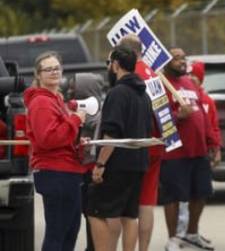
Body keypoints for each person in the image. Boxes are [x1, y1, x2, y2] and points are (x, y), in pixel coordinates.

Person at [86, 46, 153, 251]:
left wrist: (100, 163)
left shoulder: (118, 93)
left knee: (95, 210)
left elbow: (111, 134)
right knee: (129, 215)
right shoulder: (144, 95)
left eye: (109, 63)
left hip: (117, 165)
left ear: (115, 65)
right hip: (139, 163)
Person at [25, 51, 86, 251]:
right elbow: (48, 139)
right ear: (38, 75)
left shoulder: (56, 99)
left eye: (56, 68)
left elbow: (60, 135)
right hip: (55, 172)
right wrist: (75, 120)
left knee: (69, 231)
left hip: (67, 171)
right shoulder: (41, 102)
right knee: (57, 234)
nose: (53, 72)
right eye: (48, 69)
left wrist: (77, 140)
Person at [161, 48, 218, 251]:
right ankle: (173, 238)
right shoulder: (162, 85)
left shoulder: (189, 83)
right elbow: (159, 119)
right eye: (176, 58)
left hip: (199, 150)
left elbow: (203, 114)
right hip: (175, 152)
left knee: (201, 193)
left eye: (184, 57)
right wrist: (179, 116)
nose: (182, 61)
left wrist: (212, 143)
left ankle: (192, 234)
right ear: (166, 62)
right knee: (173, 197)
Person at [118, 34, 167, 251]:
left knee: (127, 205)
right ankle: (143, 248)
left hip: (134, 144)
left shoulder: (129, 74)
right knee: (147, 202)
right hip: (157, 141)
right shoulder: (154, 74)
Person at [70, 72, 105, 251]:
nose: (71, 89)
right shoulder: (78, 109)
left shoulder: (97, 113)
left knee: (92, 212)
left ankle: (94, 247)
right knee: (87, 212)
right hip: (82, 169)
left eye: (74, 86)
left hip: (91, 169)